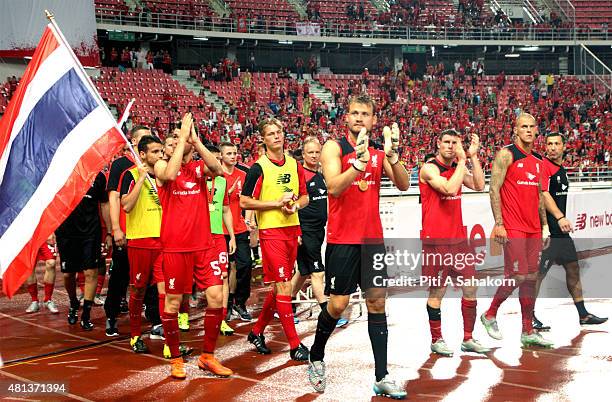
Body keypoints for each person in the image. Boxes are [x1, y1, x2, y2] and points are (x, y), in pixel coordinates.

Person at [307, 94, 410, 398]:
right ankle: (316, 355)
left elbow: (404, 183)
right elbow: (333, 187)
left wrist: (391, 156)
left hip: (373, 242)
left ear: (373, 120)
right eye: (354, 113)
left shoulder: (379, 153)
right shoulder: (333, 147)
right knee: (338, 305)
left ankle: (382, 375)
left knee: (378, 303)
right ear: (347, 117)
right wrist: (358, 164)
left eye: (365, 113)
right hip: (342, 241)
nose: (359, 118)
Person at [154, 113, 230, 379]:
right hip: (175, 248)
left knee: (216, 298)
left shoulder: (198, 167)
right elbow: (172, 172)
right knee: (173, 302)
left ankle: (208, 356)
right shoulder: (161, 167)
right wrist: (181, 139)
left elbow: (219, 170)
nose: (177, 141)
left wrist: (195, 141)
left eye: (179, 137)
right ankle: (176, 358)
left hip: (204, 245)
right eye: (173, 138)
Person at [480, 113, 554, 348]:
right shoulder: (506, 154)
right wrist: (499, 223)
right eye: (524, 126)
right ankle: (490, 314)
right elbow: (493, 189)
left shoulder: (539, 161)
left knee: (530, 278)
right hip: (512, 226)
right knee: (519, 275)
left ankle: (527, 331)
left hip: (533, 227)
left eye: (532, 126)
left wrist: (544, 226)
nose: (529, 130)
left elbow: (540, 197)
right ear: (516, 130)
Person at [240, 117, 310, 361]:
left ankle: (257, 331)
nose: (276, 136)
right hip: (271, 233)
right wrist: (275, 204)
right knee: (284, 286)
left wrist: (295, 208)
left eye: (278, 132)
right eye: (270, 134)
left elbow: (304, 197)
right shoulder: (258, 168)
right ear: (264, 139)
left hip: (292, 230)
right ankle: (294, 345)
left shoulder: (294, 164)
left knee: (280, 286)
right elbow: (244, 201)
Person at [419, 129, 489, 356]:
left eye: (455, 143)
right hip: (436, 241)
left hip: (458, 240)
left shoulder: (457, 167)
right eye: (447, 142)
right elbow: (448, 189)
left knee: (471, 286)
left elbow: (479, 185)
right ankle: (436, 339)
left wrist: (474, 156)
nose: (451, 146)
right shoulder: (429, 168)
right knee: (437, 291)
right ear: (438, 143)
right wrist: (462, 160)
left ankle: (468, 338)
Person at [533, 133, 607, 329]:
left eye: (557, 144)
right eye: (549, 144)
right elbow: (543, 194)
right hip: (548, 232)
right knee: (537, 275)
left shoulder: (562, 169)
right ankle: (528, 316)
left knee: (573, 269)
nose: (553, 147)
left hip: (562, 234)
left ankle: (583, 315)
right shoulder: (544, 167)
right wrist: (558, 217)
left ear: (564, 146)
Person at [104, 127, 162, 339]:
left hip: (154, 234)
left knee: (155, 282)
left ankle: (155, 319)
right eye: (142, 137)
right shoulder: (123, 166)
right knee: (120, 276)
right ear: (136, 143)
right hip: (129, 232)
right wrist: (116, 228)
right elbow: (115, 197)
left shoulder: (160, 168)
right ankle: (111, 315)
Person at [119, 136, 166, 353]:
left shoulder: (164, 176)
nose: (160, 155)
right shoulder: (130, 175)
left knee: (166, 289)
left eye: (161, 151)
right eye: (155, 152)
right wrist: (141, 178)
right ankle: (136, 335)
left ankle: (169, 336)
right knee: (138, 290)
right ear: (143, 154)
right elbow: (126, 206)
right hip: (140, 241)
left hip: (164, 241)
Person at [289, 137, 341, 325]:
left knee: (303, 271)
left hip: (318, 231)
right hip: (306, 231)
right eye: (310, 152)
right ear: (303, 154)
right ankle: (327, 314)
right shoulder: (299, 175)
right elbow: (293, 204)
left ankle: (286, 308)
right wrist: (297, 231)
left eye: (317, 152)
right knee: (317, 272)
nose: (314, 155)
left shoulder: (320, 175)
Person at [56, 171, 112, 330]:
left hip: (90, 231)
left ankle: (86, 314)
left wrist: (109, 232)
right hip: (66, 231)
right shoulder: (62, 171)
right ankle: (73, 302)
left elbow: (105, 203)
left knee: (90, 272)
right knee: (68, 274)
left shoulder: (98, 176)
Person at [204, 144, 237, 336]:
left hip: (218, 236)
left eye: (218, 159)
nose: (215, 163)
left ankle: (222, 319)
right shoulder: (197, 180)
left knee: (223, 276)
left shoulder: (222, 182)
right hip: (197, 236)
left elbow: (225, 210)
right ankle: (182, 315)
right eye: (212, 159)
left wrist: (231, 235)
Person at [219, 142, 253, 322]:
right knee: (227, 268)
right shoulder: (217, 175)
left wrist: (249, 220)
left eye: (234, 153)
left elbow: (249, 200)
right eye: (229, 153)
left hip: (239, 229)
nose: (233, 156)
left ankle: (240, 302)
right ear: (221, 156)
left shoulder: (243, 175)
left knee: (245, 264)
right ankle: (227, 304)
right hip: (221, 230)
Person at [25, 237, 58, 314]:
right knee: (29, 266)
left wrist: (52, 231)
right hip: (29, 236)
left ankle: (48, 300)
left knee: (51, 263)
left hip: (45, 232)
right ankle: (34, 301)